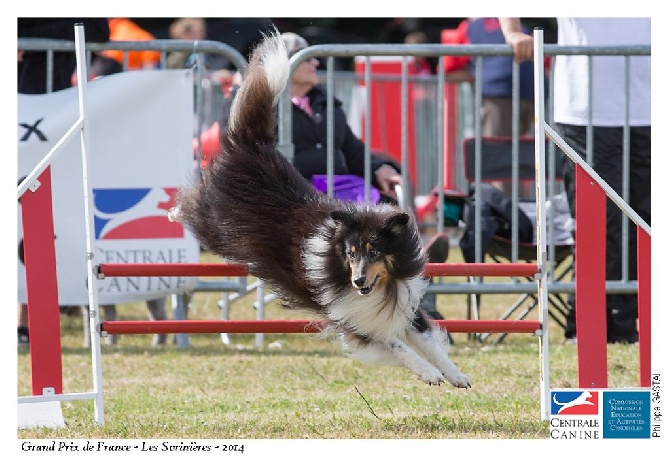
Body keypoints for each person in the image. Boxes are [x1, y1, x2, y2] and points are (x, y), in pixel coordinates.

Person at [201, 31, 448, 320]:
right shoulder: (255, 106)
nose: (315, 62)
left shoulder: (325, 102)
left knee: (388, 213)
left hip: (344, 189)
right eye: (306, 57)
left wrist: (376, 167)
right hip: (297, 195)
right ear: (288, 64)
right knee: (346, 219)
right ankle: (411, 282)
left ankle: (416, 283)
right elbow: (242, 146)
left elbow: (352, 147)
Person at [500, 18, 651, 344]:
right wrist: (512, 32)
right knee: (600, 224)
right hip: (586, 113)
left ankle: (632, 326)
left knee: (647, 222)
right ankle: (588, 327)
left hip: (651, 110)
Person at [166, 17, 239, 93]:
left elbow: (203, 71)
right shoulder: (178, 56)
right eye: (199, 32)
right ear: (186, 34)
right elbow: (182, 76)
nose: (204, 35)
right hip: (183, 94)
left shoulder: (199, 52)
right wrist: (213, 76)